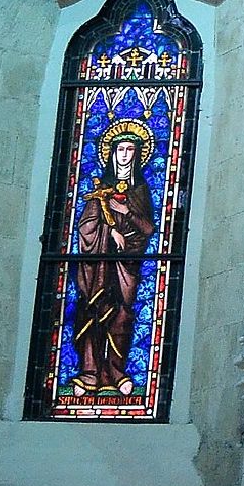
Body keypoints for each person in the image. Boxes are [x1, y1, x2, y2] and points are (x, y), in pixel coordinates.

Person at [70, 119, 159, 395]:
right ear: (111, 154)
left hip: (128, 261)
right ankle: (90, 373)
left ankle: (117, 372)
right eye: (120, 149)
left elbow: (148, 229)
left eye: (130, 150)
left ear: (137, 154)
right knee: (92, 310)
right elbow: (86, 226)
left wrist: (125, 213)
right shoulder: (100, 191)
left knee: (122, 314)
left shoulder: (140, 190)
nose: (124, 155)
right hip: (99, 262)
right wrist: (109, 233)